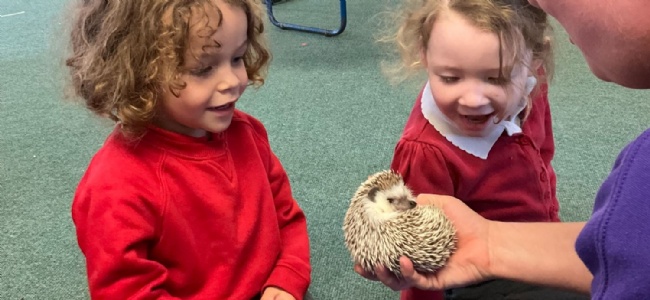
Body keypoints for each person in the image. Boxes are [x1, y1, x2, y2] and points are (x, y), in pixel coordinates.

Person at [359, 0, 650, 299]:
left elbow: (542, 155)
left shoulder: (529, 91)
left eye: (496, 78)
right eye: (450, 78)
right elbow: (418, 252)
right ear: (425, 57)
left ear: (532, 62)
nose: (472, 99)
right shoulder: (424, 152)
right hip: (478, 277)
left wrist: (549, 227)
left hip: (538, 246)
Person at [64, 0, 311, 299]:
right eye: (203, 68)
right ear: (140, 72)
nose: (233, 81)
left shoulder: (249, 134)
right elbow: (127, 290)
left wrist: (286, 278)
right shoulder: (115, 187)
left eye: (238, 58)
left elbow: (286, 216)